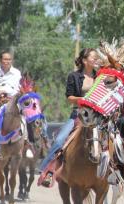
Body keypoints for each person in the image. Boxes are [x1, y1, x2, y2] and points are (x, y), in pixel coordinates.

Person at [39, 48, 98, 187]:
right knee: (60, 140)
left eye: (97, 58)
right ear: (84, 60)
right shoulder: (74, 76)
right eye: (93, 57)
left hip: (98, 116)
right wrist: (84, 100)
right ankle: (47, 170)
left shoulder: (101, 76)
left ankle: (119, 173)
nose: (96, 60)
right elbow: (70, 97)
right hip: (78, 114)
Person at [0, 51, 22, 161]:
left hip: (13, 102)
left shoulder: (17, 73)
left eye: (9, 59)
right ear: (0, 60)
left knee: (28, 117)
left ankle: (31, 144)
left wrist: (11, 99)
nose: (7, 61)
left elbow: (19, 90)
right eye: (5, 59)